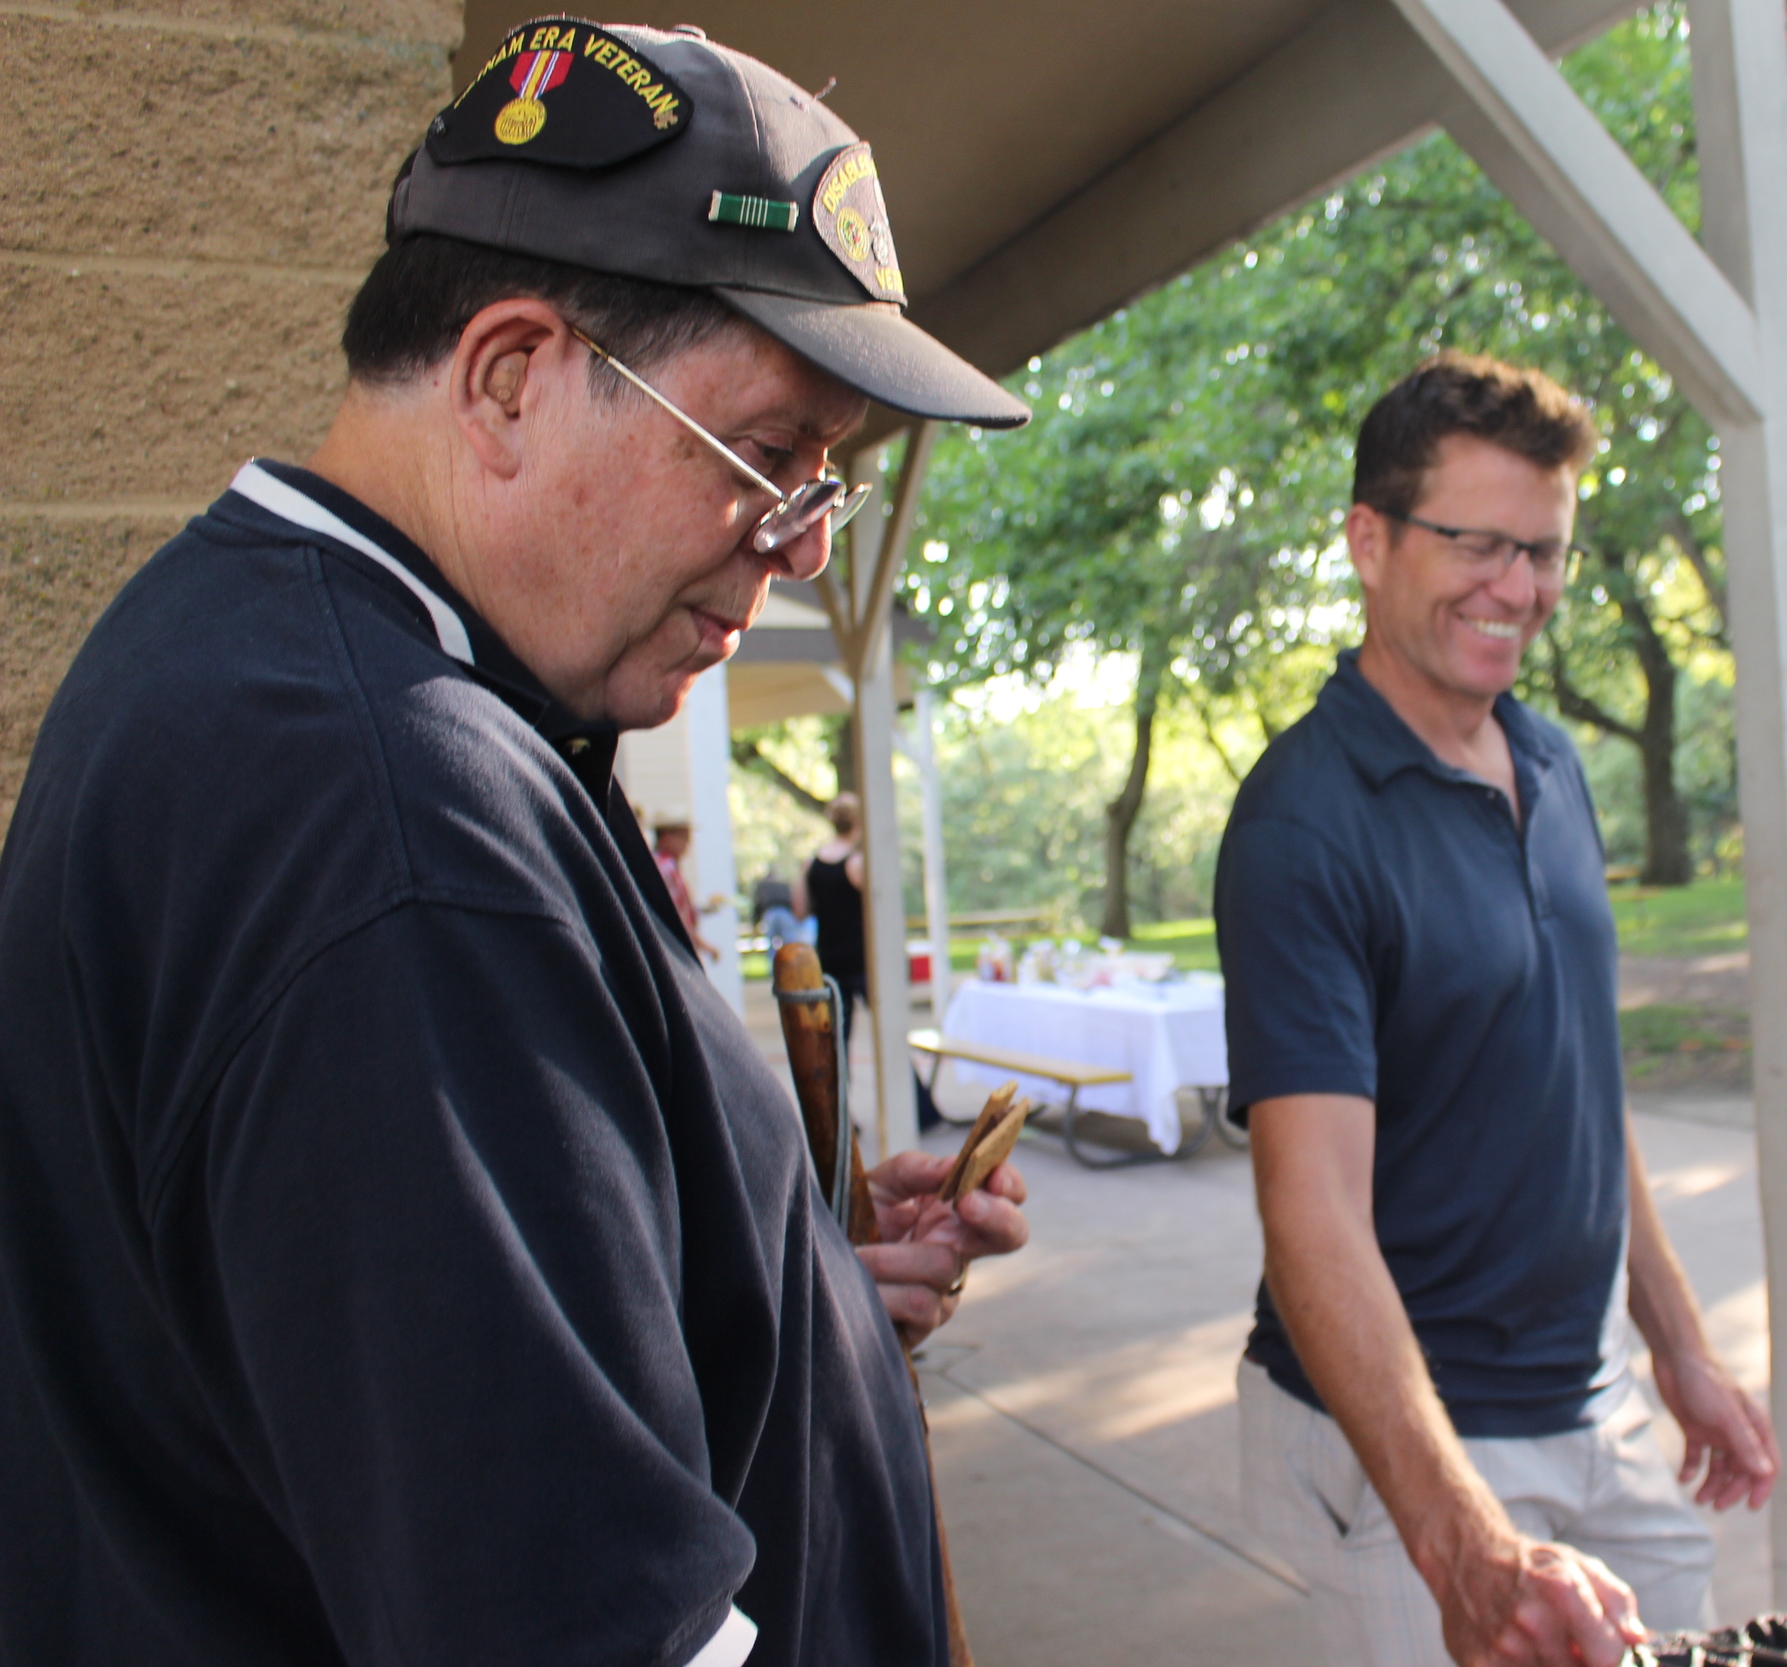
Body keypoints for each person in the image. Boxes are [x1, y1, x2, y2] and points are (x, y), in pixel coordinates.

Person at [0, 23, 1033, 1666]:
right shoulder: (380, 808)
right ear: (504, 378)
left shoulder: (323, 681)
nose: (789, 548)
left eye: (824, 486)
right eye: (767, 460)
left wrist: (795, 1291)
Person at [1215, 354, 1779, 1667]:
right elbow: (1311, 1217)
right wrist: (1460, 1541)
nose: (1518, 588)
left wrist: (1679, 1348)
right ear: (1370, 540)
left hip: (1598, 1404)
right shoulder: (1303, 822)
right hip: (1417, 1441)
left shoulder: (1550, 757)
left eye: (1544, 551)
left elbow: (1576, 1088)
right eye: (1478, 542)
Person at [800, 792, 945, 1131]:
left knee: (834, 1042)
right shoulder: (857, 863)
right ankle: (917, 1111)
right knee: (889, 1034)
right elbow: (881, 909)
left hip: (829, 961)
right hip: (863, 962)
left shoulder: (812, 864)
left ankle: (837, 1119)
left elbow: (800, 908)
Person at [651, 818, 722, 961]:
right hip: (671, 949)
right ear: (666, 837)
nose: (688, 844)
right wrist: (704, 945)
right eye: (684, 837)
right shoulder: (664, 868)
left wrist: (706, 907)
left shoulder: (666, 866)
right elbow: (674, 915)